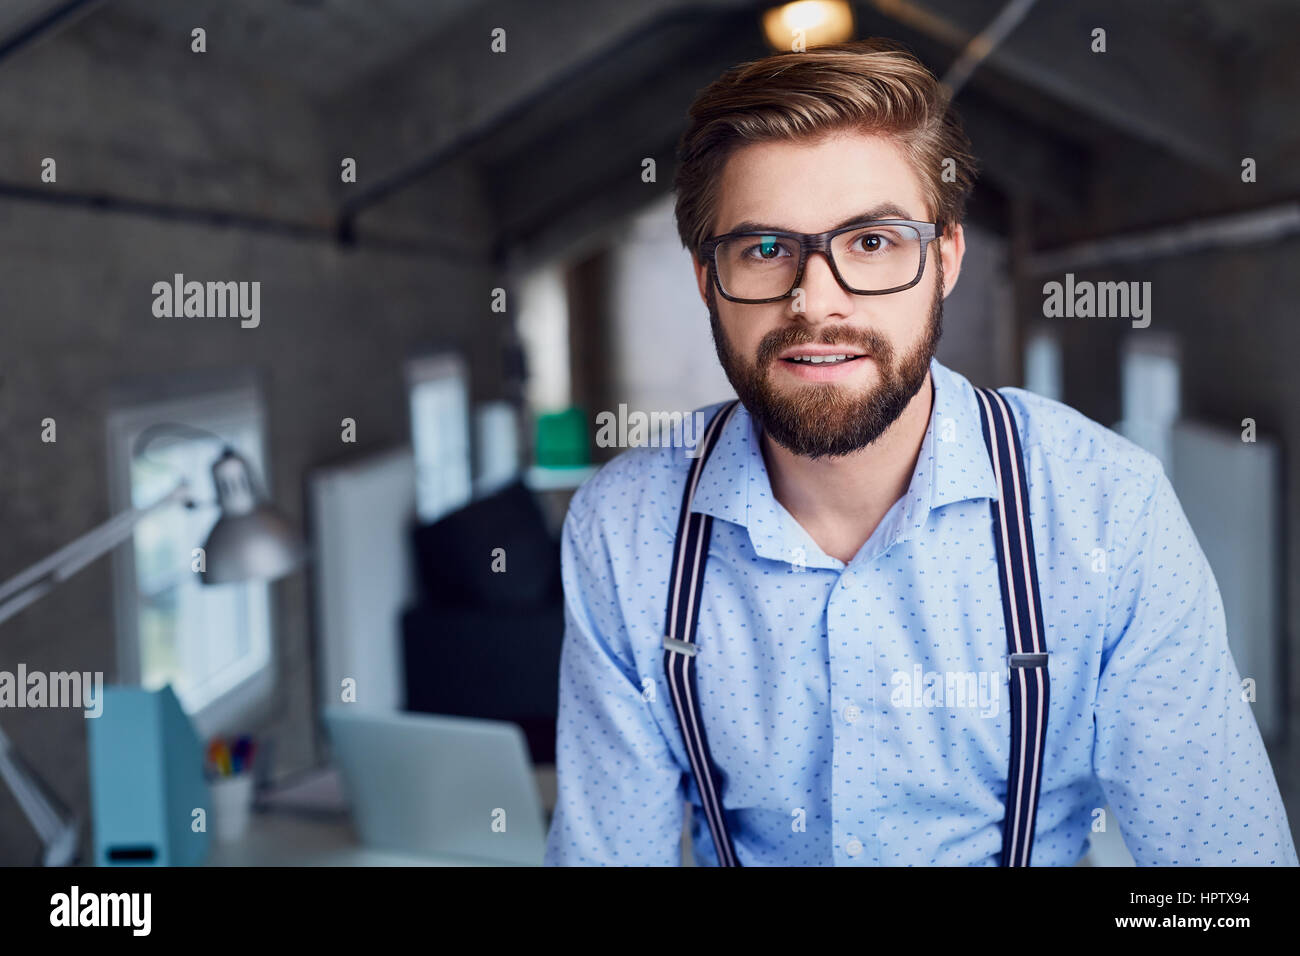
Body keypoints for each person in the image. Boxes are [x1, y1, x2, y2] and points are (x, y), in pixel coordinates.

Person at [543, 38, 1297, 866]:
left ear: (945, 258)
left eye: (872, 243)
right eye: (764, 249)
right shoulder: (625, 530)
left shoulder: (1105, 509)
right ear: (705, 279)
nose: (815, 300)